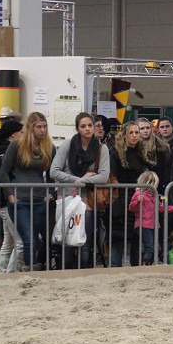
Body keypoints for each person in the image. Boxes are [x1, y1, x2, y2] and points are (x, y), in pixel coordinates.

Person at [49, 111, 110, 269]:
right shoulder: (67, 145)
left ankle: (83, 274)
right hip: (67, 198)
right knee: (67, 241)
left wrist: (81, 181)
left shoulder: (102, 149)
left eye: (90, 125)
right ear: (77, 129)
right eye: (83, 126)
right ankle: (66, 272)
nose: (88, 129)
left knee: (85, 242)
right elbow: (54, 171)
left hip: (88, 200)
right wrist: (76, 180)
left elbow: (103, 176)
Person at [0, 112, 56, 271]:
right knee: (28, 238)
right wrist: (9, 195)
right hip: (19, 199)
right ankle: (30, 270)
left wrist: (50, 193)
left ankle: (28, 270)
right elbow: (4, 171)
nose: (42, 130)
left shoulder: (49, 147)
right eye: (39, 127)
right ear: (31, 128)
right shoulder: (16, 145)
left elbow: (51, 174)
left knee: (33, 240)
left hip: (39, 199)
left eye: (44, 126)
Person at [107, 121, 156, 267]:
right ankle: (114, 269)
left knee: (136, 237)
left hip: (137, 200)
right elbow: (113, 177)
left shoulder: (141, 152)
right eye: (131, 133)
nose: (134, 136)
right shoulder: (115, 153)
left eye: (136, 132)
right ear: (124, 135)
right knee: (118, 238)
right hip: (120, 199)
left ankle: (135, 268)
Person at [0, 119, 24, 272]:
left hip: (2, 200)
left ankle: (3, 273)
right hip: (7, 200)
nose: (24, 136)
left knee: (8, 241)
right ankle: (9, 275)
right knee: (20, 242)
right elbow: (3, 174)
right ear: (14, 134)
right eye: (22, 133)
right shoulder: (7, 151)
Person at [129, 171, 173, 265]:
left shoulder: (154, 196)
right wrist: (137, 201)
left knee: (156, 247)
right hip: (143, 224)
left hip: (153, 225)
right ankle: (146, 264)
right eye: (155, 184)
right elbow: (132, 208)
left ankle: (147, 262)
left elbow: (162, 208)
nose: (156, 186)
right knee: (150, 246)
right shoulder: (138, 194)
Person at [138, 117, 172, 187]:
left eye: (147, 128)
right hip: (139, 183)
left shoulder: (162, 145)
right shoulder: (133, 146)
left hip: (159, 183)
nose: (145, 130)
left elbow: (166, 167)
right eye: (142, 128)